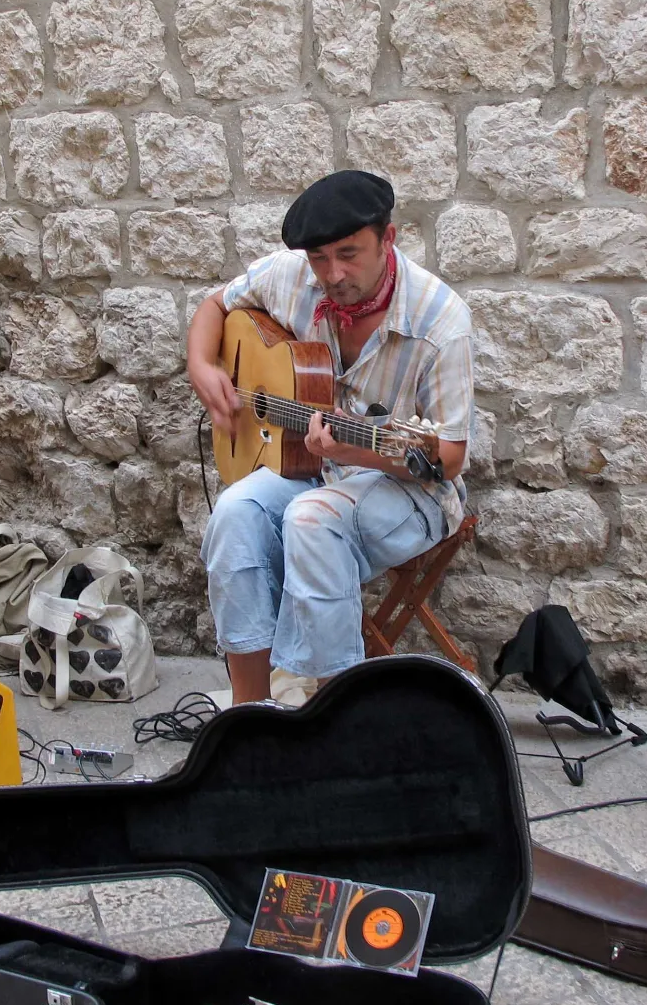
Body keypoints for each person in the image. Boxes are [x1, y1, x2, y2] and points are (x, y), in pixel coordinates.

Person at [187, 171, 475, 706]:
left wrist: (358, 450)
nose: (334, 273)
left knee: (311, 520)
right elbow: (216, 305)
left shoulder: (440, 323)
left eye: (349, 254)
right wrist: (203, 366)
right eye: (320, 259)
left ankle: (333, 720)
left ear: (388, 239)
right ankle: (250, 718)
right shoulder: (291, 277)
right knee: (234, 513)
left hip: (413, 490)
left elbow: (450, 457)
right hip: (315, 468)